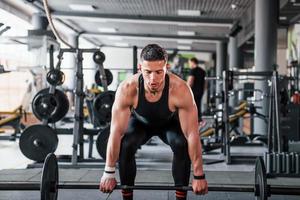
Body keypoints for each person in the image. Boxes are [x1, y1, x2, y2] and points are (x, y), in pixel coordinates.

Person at [99, 44, 208, 200]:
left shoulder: (180, 89)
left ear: (167, 67)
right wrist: (108, 172)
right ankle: (127, 196)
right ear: (139, 68)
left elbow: (192, 134)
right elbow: (116, 132)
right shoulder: (128, 88)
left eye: (159, 72)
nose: (153, 79)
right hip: (140, 124)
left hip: (169, 123)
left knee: (181, 143)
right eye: (148, 72)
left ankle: (180, 197)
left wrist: (198, 175)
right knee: (126, 143)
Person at [187, 57, 206, 127]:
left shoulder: (192, 70)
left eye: (189, 63)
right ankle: (199, 120)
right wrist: (203, 90)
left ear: (192, 62)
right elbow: (205, 83)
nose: (189, 64)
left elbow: (190, 81)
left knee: (192, 106)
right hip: (200, 91)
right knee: (198, 105)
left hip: (193, 92)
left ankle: (195, 121)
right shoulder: (202, 71)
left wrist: (186, 89)